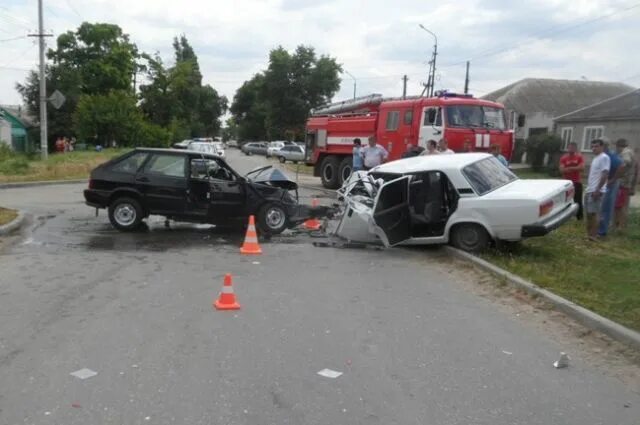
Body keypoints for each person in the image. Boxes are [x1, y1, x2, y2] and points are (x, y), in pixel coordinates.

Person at [585, 139, 610, 241]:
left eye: (596, 146)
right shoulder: (596, 158)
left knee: (594, 213)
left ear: (602, 147)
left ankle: (593, 236)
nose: (594, 148)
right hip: (590, 189)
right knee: (589, 213)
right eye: (592, 146)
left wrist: (598, 189)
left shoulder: (604, 157)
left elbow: (605, 174)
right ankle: (589, 234)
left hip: (596, 191)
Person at [597, 139, 624, 237]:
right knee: (600, 206)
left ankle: (602, 231)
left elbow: (621, 166)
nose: (595, 147)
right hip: (603, 183)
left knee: (606, 207)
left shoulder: (610, 156)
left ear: (604, 146)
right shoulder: (602, 156)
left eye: (598, 145)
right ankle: (598, 227)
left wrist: (613, 180)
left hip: (610, 184)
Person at [613, 138, 636, 230]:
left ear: (619, 146)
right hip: (627, 183)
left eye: (616, 147)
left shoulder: (625, 153)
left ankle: (620, 227)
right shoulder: (631, 152)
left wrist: (616, 176)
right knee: (623, 205)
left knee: (620, 206)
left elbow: (625, 164)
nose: (616, 149)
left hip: (623, 183)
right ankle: (621, 226)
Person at [559, 142, 585, 220]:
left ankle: (579, 217)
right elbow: (561, 170)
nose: (571, 149)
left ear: (575, 149)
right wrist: (575, 168)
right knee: (566, 200)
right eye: (569, 148)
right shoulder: (564, 158)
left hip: (576, 181)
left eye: (573, 148)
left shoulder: (579, 157)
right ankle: (565, 217)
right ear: (568, 148)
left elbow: (582, 168)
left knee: (578, 200)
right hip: (566, 183)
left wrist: (569, 168)